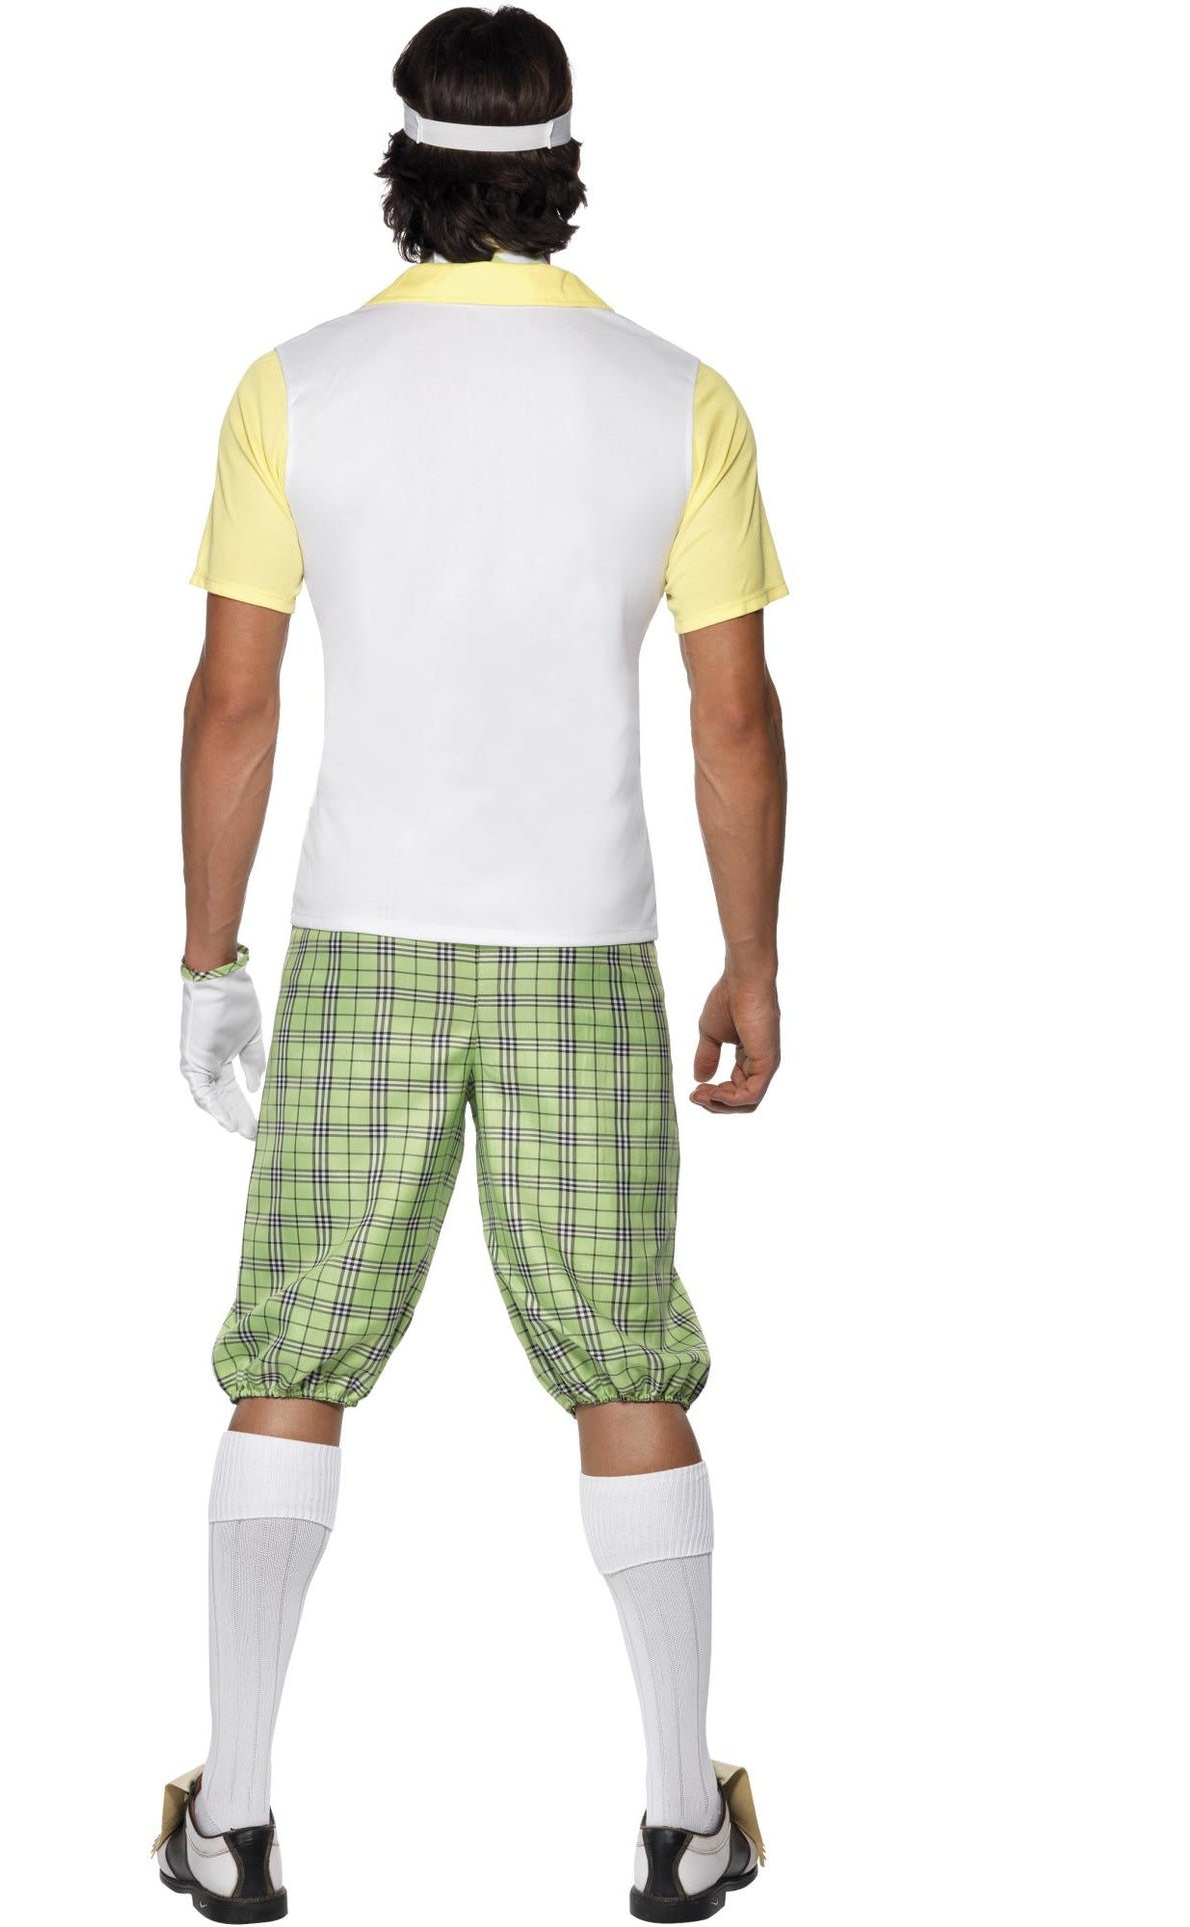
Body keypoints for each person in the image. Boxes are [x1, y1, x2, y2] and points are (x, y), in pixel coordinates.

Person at [155, 8, 788, 1920]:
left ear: (403, 170)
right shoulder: (678, 395)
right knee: (625, 1356)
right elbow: (733, 717)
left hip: (363, 939)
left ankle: (232, 1817)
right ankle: (678, 1817)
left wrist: (207, 959)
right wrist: (753, 957)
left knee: (292, 1354)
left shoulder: (296, 386)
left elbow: (234, 699)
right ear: (563, 173)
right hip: (584, 947)